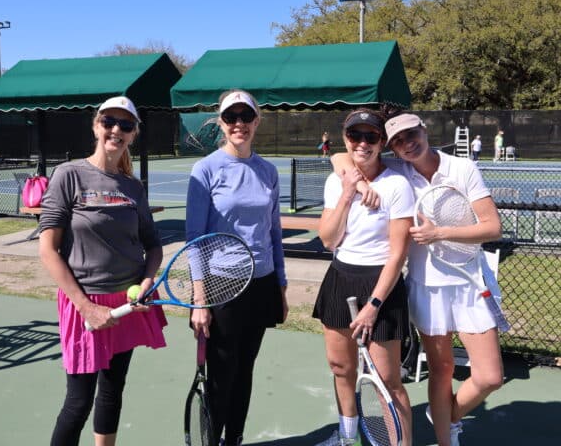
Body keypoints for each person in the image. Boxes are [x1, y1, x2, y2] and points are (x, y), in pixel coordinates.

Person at [333, 112, 504, 446]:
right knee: (440, 372)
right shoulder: (398, 173)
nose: (406, 143)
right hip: (427, 287)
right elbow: (339, 156)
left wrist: (439, 233)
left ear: (425, 130)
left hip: (470, 283)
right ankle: (446, 437)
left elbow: (492, 227)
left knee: (490, 376)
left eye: (411, 134)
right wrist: (363, 184)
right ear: (392, 148)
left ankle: (446, 416)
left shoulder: (462, 168)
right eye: (397, 140)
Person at [38, 96, 168, 446]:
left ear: (134, 133)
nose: (116, 130)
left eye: (126, 125)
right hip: (85, 302)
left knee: (112, 390)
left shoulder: (133, 187)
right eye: (110, 122)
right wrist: (86, 306)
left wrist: (146, 281)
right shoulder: (69, 175)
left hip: (127, 300)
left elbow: (152, 245)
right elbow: (48, 250)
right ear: (96, 125)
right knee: (78, 401)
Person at [186, 89, 289, 446]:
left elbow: (274, 233)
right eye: (231, 118)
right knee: (221, 375)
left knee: (245, 371)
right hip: (221, 286)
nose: (239, 124)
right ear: (222, 123)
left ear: (257, 121)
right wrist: (200, 300)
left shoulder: (267, 171)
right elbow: (194, 238)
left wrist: (281, 286)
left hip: (261, 283)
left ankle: (235, 440)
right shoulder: (206, 169)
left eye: (246, 117)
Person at [314, 108, 415, 446]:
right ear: (345, 139)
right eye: (355, 136)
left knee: (388, 379)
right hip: (340, 279)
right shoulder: (336, 181)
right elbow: (329, 239)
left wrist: (374, 304)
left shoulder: (397, 184)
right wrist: (348, 190)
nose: (362, 143)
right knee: (341, 368)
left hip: (381, 287)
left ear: (382, 142)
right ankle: (347, 437)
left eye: (370, 137)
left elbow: (397, 254)